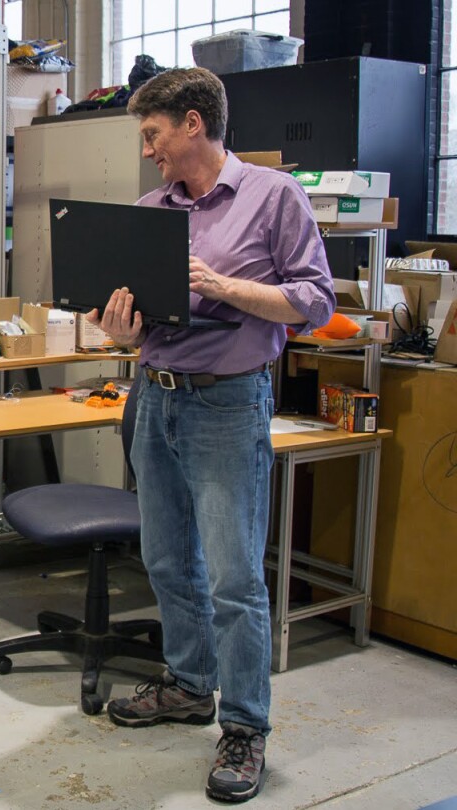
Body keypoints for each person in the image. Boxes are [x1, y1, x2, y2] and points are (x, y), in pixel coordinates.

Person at [89, 68, 335, 804]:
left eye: (153, 135)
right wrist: (117, 329)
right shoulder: (149, 210)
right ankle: (191, 686)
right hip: (155, 398)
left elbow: (316, 301)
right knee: (167, 560)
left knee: (231, 576)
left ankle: (245, 728)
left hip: (228, 403)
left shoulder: (273, 196)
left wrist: (227, 287)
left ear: (193, 123)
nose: (149, 152)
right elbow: (130, 323)